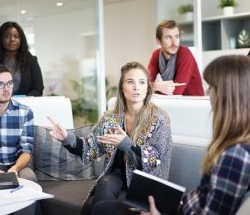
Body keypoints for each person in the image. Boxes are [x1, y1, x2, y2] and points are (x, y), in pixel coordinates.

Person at [94, 55, 250, 215]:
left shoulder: (236, 156)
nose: (209, 93)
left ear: (230, 96)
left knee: (102, 209)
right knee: (102, 203)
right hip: (182, 206)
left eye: (212, 87)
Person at [47, 61, 172, 215]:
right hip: (117, 176)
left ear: (147, 87)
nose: (136, 87)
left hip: (146, 180)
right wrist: (67, 138)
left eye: (141, 82)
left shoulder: (160, 119)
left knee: (91, 206)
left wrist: (126, 144)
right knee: (105, 183)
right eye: (130, 82)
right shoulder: (111, 118)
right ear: (122, 88)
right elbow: (90, 147)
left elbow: (155, 160)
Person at [0, 21, 44, 98]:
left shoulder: (31, 60)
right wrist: (2, 99)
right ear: (0, 39)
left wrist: (22, 100)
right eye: (7, 36)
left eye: (16, 36)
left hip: (24, 106)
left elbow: (38, 89)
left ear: (21, 39)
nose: (12, 39)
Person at [147, 20, 204, 96]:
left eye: (176, 36)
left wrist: (155, 87)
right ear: (158, 41)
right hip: (174, 102)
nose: (174, 43)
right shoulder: (156, 55)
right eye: (169, 37)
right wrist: (156, 86)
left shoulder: (185, 53)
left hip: (194, 102)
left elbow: (177, 90)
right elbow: (145, 83)